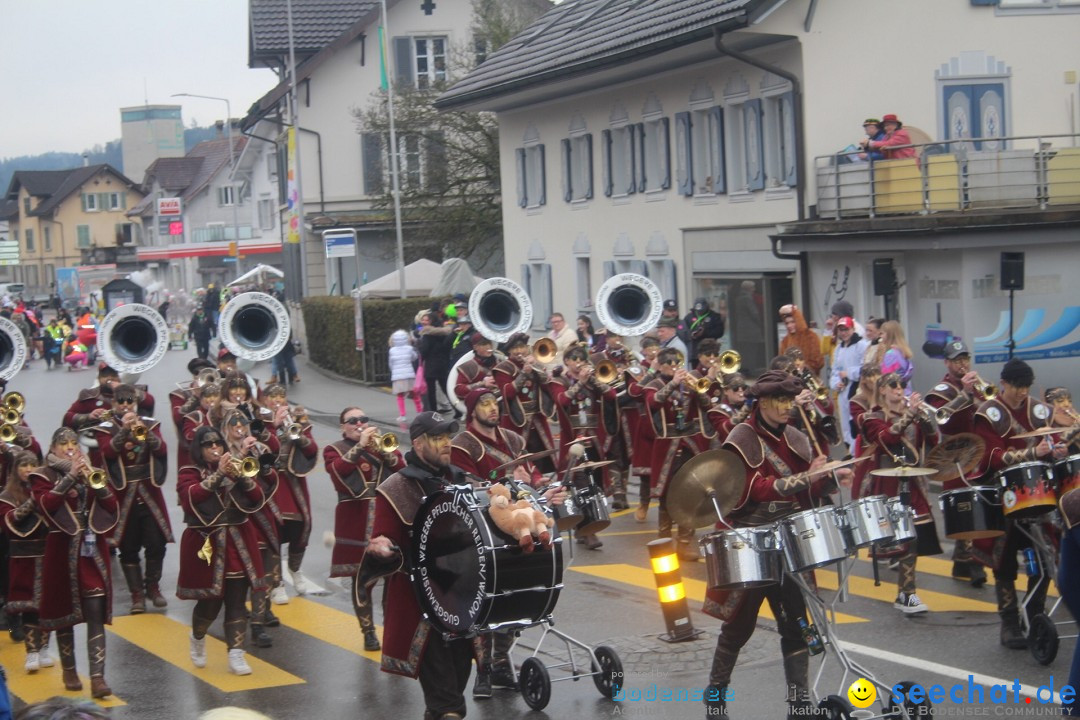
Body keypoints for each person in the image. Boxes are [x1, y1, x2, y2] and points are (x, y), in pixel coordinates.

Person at [702, 371, 851, 718]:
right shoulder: (741, 438)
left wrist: (829, 476)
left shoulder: (798, 436)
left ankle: (799, 704)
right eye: (781, 401)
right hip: (752, 543)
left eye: (790, 400)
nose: (788, 407)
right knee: (738, 626)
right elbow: (755, 489)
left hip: (790, 543)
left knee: (797, 625)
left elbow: (807, 492)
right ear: (763, 402)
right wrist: (805, 477)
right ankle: (715, 696)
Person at [365, 412, 476, 720]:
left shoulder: (459, 477)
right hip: (423, 608)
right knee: (448, 705)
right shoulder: (395, 487)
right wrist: (381, 548)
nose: (446, 444)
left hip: (462, 602)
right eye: (437, 438)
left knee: (451, 691)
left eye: (447, 437)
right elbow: (382, 538)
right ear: (417, 443)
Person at [972, 358, 1066, 648]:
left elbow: (1054, 437)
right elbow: (989, 456)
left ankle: (1035, 611)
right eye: (1017, 387)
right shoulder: (988, 413)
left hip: (1039, 489)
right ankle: (1009, 621)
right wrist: (1030, 452)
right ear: (1004, 384)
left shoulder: (1038, 410)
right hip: (1003, 493)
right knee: (1004, 558)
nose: (1023, 392)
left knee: (1046, 551)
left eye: (1026, 386)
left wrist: (1058, 446)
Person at [30, 428, 119, 698]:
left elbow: (111, 504)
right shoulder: (42, 474)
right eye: (63, 444)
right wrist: (70, 476)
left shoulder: (91, 469)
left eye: (73, 443)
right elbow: (47, 503)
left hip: (91, 548)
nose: (69, 448)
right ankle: (69, 669)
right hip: (60, 546)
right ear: (53, 448)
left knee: (95, 608)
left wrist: (95, 482)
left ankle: (97, 677)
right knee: (63, 610)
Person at [176, 425, 268, 675]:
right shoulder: (188, 471)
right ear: (199, 449)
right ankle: (197, 636)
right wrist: (218, 474)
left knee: (237, 600)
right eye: (208, 445)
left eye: (218, 443)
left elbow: (258, 497)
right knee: (209, 605)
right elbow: (191, 497)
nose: (215, 448)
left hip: (238, 540)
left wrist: (242, 477)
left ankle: (236, 653)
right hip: (208, 543)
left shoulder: (236, 466)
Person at [323, 407, 404, 651]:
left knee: (394, 576)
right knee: (362, 580)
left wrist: (382, 451)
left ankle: (392, 629)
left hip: (385, 515)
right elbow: (339, 472)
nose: (359, 423)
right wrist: (361, 446)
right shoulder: (334, 449)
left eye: (363, 419)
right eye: (352, 421)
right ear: (342, 427)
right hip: (355, 519)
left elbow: (401, 469)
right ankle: (368, 631)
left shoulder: (381, 444)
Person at [92, 384, 173, 615]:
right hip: (122, 494)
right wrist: (123, 430)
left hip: (148, 493)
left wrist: (143, 431)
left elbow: (162, 450)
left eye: (129, 402)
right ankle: (136, 594)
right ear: (114, 404)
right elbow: (107, 452)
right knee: (128, 546)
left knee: (156, 543)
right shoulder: (105, 428)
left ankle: (153, 587)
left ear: (135, 403)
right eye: (121, 402)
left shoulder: (149, 424)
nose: (125, 405)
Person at [863, 373, 940, 614]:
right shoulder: (871, 417)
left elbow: (933, 438)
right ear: (882, 390)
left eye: (902, 385)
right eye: (893, 385)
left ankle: (907, 593)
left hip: (913, 481)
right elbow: (887, 436)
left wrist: (924, 417)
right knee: (902, 538)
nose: (899, 389)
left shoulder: (913, 415)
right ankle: (907, 594)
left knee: (916, 533)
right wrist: (909, 415)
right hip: (887, 483)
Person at [924, 340, 987, 586]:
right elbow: (944, 420)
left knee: (978, 500)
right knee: (963, 503)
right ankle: (969, 560)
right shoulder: (941, 389)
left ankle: (964, 560)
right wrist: (965, 393)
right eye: (957, 360)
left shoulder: (976, 383)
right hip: (955, 452)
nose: (962, 364)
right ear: (947, 363)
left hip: (977, 449)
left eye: (965, 359)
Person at [642, 347, 714, 561]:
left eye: (677, 363)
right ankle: (664, 541)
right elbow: (653, 402)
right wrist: (674, 382)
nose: (675, 367)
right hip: (667, 446)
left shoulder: (690, 381)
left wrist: (699, 390)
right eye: (670, 363)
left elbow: (707, 405)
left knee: (690, 493)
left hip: (690, 444)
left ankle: (684, 543)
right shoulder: (655, 384)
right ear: (661, 365)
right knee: (666, 495)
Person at [1, 451, 54, 674]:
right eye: (23, 465)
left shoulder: (46, 490)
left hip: (47, 554)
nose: (28, 469)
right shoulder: (6, 495)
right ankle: (31, 651)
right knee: (29, 606)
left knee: (48, 605)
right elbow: (10, 522)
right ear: (15, 470)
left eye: (32, 464)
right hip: (23, 557)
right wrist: (35, 500)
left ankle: (44, 648)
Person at [829, 317, 869, 453]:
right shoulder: (838, 349)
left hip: (857, 391)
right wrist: (836, 384)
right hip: (843, 392)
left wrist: (849, 373)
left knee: (855, 423)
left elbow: (866, 369)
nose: (843, 333)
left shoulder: (861, 345)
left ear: (852, 329)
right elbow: (835, 371)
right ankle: (850, 453)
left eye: (846, 329)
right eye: (841, 330)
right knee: (845, 424)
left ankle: (857, 452)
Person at [388, 329, 423, 423]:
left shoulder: (392, 350)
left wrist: (393, 372)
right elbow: (414, 357)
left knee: (400, 396)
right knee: (415, 394)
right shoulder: (409, 348)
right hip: (409, 374)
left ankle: (402, 415)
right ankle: (419, 411)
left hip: (397, 376)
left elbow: (391, 364)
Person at [778, 305, 823, 376]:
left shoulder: (811, 336)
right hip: (791, 382)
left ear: (798, 321)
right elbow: (781, 363)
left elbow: (819, 362)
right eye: (787, 323)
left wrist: (803, 368)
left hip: (810, 380)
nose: (789, 325)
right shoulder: (785, 341)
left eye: (792, 322)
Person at [683, 298, 725, 368]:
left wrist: (705, 333)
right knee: (697, 372)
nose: (700, 312)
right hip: (695, 352)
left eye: (702, 310)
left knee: (711, 370)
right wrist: (692, 335)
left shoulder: (714, 316)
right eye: (698, 311)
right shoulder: (688, 317)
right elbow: (683, 332)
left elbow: (720, 332)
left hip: (710, 351)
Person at [878, 320, 914, 392]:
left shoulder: (891, 354)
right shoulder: (902, 352)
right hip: (906, 390)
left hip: (894, 392)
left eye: (882, 333)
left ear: (889, 334)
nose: (880, 336)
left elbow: (886, 377)